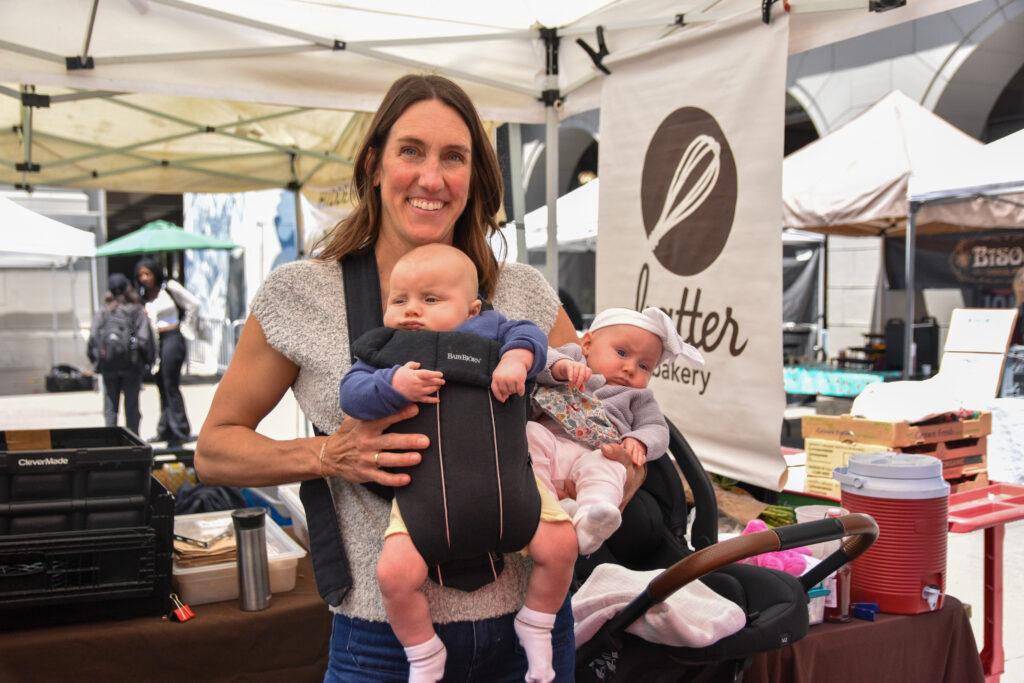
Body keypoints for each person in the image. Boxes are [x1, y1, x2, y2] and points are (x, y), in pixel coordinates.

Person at [195, 73, 639, 682]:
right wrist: (331, 453)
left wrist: (609, 470)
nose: (431, 178)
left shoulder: (522, 294)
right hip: (383, 642)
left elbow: (591, 420)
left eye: (453, 157)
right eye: (411, 151)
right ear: (374, 163)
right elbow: (215, 449)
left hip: (528, 631)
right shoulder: (302, 294)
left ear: (476, 178)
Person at [340, 244, 576, 683]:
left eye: (430, 299)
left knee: (561, 547)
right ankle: (424, 652)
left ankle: (538, 622)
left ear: (473, 309)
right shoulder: (387, 348)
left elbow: (533, 339)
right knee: (394, 573)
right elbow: (351, 393)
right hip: (424, 499)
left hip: (513, 487)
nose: (412, 311)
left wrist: (515, 360)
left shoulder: (496, 329)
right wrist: (393, 384)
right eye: (399, 300)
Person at [529, 307, 705, 554]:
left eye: (644, 366)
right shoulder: (573, 359)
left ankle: (590, 520)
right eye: (621, 353)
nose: (630, 368)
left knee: (610, 467)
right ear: (587, 344)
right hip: (553, 444)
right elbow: (537, 357)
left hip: (594, 454)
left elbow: (657, 427)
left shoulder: (637, 397)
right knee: (531, 435)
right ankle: (542, 508)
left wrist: (639, 440)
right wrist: (559, 367)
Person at [134, 257, 201, 447]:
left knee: (171, 384)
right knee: (161, 384)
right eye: (141, 275)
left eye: (147, 274)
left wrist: (185, 329)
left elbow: (193, 304)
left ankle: (180, 429)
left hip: (172, 337)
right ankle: (164, 428)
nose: (145, 278)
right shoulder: (143, 294)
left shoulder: (169, 287)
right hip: (155, 341)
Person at [87, 272, 156, 436]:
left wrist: (98, 361)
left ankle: (110, 442)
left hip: (108, 365)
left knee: (110, 406)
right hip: (131, 366)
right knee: (131, 406)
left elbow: (93, 337)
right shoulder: (136, 310)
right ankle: (133, 441)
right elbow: (145, 338)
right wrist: (148, 361)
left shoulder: (103, 311)